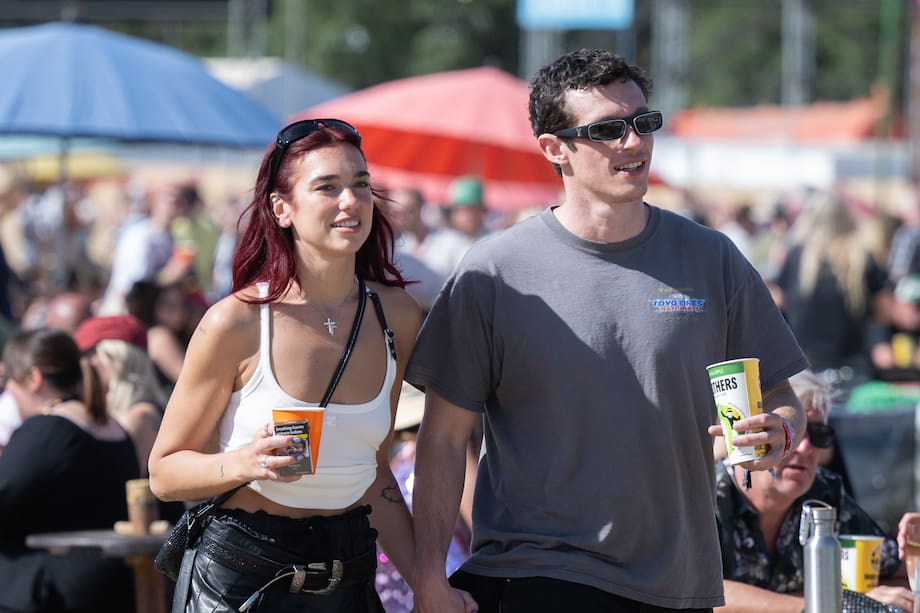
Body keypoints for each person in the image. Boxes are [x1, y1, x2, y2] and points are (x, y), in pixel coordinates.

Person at [407, 48, 808, 613]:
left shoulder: (711, 258)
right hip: (537, 571)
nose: (634, 142)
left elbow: (783, 397)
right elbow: (443, 440)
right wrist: (429, 576)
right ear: (554, 149)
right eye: (609, 129)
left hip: (677, 581)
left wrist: (779, 435)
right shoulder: (493, 271)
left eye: (644, 123)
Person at [148, 117, 422, 613]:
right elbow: (164, 473)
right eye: (327, 187)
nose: (350, 201)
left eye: (360, 184)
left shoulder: (397, 316)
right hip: (245, 576)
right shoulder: (236, 323)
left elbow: (377, 474)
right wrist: (246, 463)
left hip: (351, 570)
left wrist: (428, 583)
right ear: (282, 208)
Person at [714, 369, 911, 613]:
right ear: (751, 433)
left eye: (817, 434)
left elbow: (896, 567)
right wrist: (830, 603)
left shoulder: (825, 494)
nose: (804, 447)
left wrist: (914, 543)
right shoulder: (707, 494)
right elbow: (701, 594)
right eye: (791, 434)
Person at [0, 327, 138, 612]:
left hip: (51, 591)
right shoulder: (114, 428)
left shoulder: (47, 430)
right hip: (114, 586)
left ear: (34, 379)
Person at [771, 189, 892, 395]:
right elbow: (885, 311)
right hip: (854, 370)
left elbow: (778, 302)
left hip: (805, 371)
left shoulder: (795, 256)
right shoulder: (863, 258)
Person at [75, 314, 169, 477]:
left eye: (87, 355)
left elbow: (129, 487)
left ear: (113, 356)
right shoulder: (142, 411)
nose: (84, 365)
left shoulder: (136, 418)